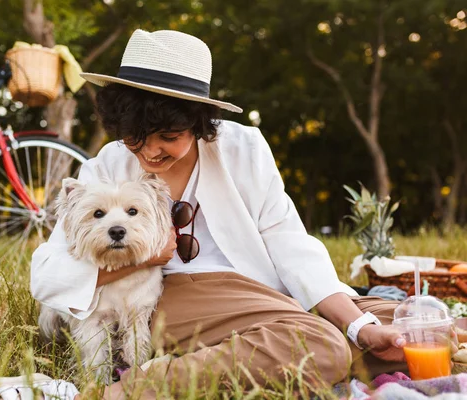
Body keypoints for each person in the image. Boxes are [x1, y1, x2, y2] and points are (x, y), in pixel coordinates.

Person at [30, 29, 406, 399]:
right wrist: (146, 257)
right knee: (322, 345)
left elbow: (286, 239)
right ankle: (134, 388)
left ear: (197, 123)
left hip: (257, 290)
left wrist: (358, 323)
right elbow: (47, 275)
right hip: (169, 294)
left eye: (168, 137)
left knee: (404, 328)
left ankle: (323, 336)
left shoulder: (243, 148)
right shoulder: (108, 166)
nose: (149, 152)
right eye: (134, 137)